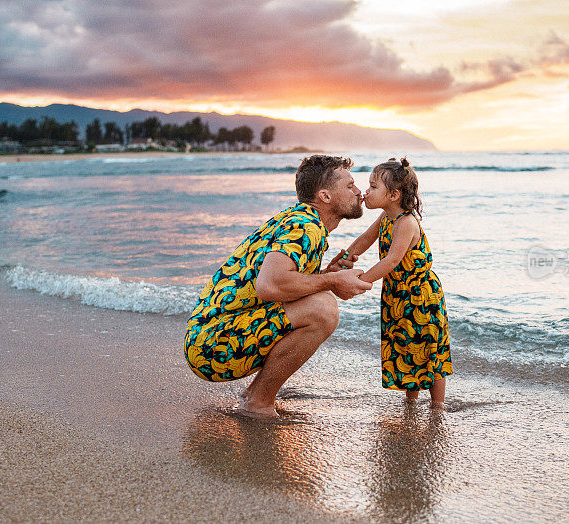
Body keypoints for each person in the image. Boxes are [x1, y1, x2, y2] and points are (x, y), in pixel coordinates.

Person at [185, 155, 372, 418]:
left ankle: (255, 393)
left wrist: (325, 274)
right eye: (350, 185)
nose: (358, 191)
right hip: (213, 347)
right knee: (323, 309)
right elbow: (269, 285)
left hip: (209, 339)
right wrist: (331, 281)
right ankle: (258, 402)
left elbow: (276, 283)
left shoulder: (301, 220)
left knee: (318, 300)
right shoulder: (305, 227)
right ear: (325, 196)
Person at [345, 157, 452, 407]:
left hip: (420, 296)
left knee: (428, 349)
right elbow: (363, 240)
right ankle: (411, 401)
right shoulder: (386, 217)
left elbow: (392, 261)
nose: (367, 192)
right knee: (405, 345)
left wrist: (360, 282)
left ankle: (438, 406)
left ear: (393, 195)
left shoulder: (406, 222)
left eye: (373, 187)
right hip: (397, 295)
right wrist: (345, 259)